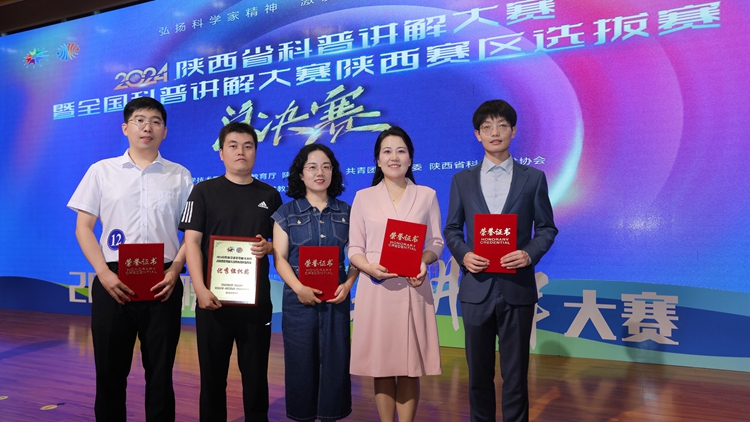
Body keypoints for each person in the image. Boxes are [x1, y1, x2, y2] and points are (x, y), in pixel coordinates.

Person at [67, 97, 193, 421]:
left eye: (155, 121)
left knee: (161, 373)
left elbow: (192, 234)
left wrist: (176, 268)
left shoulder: (180, 176)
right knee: (110, 371)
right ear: (125, 127)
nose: (147, 127)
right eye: (139, 120)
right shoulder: (101, 171)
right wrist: (103, 273)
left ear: (165, 131)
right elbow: (83, 227)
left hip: (163, 281)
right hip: (113, 280)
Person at [444, 100, 558, 422]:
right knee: (478, 376)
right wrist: (464, 254)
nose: (495, 132)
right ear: (477, 134)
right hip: (476, 289)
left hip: (516, 288)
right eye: (487, 127)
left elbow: (547, 228)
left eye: (502, 125)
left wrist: (528, 253)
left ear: (514, 131)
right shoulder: (462, 180)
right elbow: (452, 229)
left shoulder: (533, 178)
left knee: (516, 375)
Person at [179, 122, 282, 422]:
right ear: (221, 153)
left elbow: (280, 245)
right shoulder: (203, 191)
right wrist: (199, 289)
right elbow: (191, 242)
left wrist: (269, 248)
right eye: (233, 146)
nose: (241, 152)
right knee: (212, 378)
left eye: (248, 146)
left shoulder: (270, 195)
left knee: (256, 377)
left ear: (256, 152)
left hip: (255, 303)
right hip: (213, 301)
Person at [348, 126, 443, 422]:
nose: (394, 157)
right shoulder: (363, 197)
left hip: (414, 286)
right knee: (383, 365)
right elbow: (354, 247)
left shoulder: (427, 195)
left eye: (401, 151)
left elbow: (436, 242)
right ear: (378, 160)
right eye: (387, 151)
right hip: (376, 288)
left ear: (410, 158)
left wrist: (424, 261)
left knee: (410, 366)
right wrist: (367, 267)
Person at [272, 144, 357, 421]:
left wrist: (348, 284)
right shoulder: (286, 213)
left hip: (336, 301)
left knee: (336, 364)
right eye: (312, 167)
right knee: (300, 365)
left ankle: (331, 415)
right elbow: (280, 259)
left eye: (326, 166)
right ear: (301, 174)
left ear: (333, 172)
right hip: (298, 303)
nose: (319, 172)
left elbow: (356, 256)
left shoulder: (347, 212)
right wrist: (299, 288)